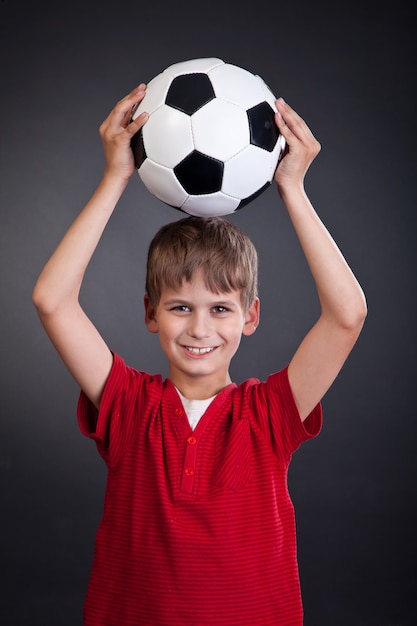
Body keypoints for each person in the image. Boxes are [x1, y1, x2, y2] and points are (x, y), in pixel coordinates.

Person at [32, 83, 367, 626]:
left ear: (250, 317)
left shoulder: (269, 415)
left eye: (220, 309)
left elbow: (347, 315)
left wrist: (293, 189)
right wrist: (116, 175)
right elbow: (52, 300)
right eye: (180, 308)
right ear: (150, 314)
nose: (199, 328)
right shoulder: (128, 405)